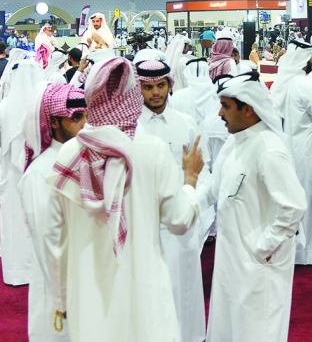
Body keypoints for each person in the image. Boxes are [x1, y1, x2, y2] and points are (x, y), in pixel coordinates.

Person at [43, 57, 204, 341]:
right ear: (133, 98)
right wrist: (189, 181)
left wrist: (61, 299)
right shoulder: (150, 151)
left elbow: (54, 239)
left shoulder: (69, 154)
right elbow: (179, 221)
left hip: (89, 297)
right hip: (144, 295)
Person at [202, 70, 307, 340]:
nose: (220, 114)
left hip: (258, 264)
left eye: (225, 106)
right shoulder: (234, 143)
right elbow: (214, 189)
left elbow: (293, 206)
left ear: (248, 109)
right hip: (233, 259)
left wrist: (262, 248)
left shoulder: (269, 149)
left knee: (258, 330)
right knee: (231, 327)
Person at [134, 59, 209, 342]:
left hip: (180, 228)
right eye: (148, 87)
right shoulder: (131, 127)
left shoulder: (186, 124)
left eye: (161, 85)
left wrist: (193, 206)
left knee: (182, 296)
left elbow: (205, 171)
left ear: (169, 85)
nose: (155, 93)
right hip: (142, 228)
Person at [20, 82, 86, 342]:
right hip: (59, 289)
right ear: (55, 122)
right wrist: (63, 298)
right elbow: (48, 244)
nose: (85, 124)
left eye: (87, 115)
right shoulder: (41, 172)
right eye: (76, 118)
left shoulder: (87, 159)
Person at [271, 39, 312, 266]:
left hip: (288, 149)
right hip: (308, 149)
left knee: (295, 199)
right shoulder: (304, 84)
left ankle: (299, 252)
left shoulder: (281, 83)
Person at [0, 60, 44, 286]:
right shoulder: (44, 105)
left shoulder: (5, 106)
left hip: (11, 174)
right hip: (39, 174)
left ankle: (15, 271)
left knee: (15, 221)